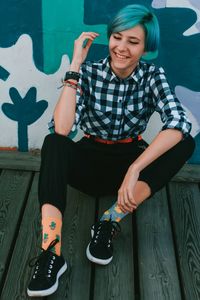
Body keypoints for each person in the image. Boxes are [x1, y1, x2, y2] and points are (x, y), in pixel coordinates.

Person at [27, 4, 195, 297]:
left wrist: (135, 168)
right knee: (54, 142)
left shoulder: (153, 76)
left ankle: (108, 222)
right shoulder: (88, 72)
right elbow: (63, 128)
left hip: (128, 168)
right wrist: (75, 64)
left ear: (146, 47)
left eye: (133, 42)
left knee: (185, 142)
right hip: (89, 159)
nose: (121, 47)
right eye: (117, 37)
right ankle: (51, 252)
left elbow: (179, 122)